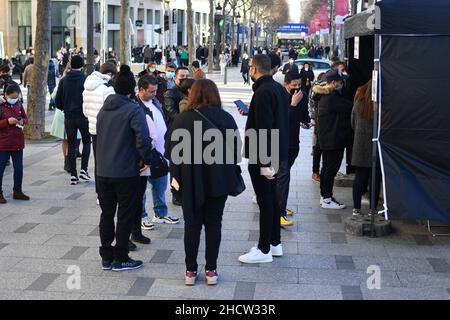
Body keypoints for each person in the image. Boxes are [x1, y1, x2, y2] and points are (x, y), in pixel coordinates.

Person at [165, 79, 242, 285]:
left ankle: (190, 271)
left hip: (190, 182)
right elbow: (236, 152)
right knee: (214, 225)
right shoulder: (225, 118)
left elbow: (172, 153)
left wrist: (177, 179)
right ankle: (211, 271)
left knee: (192, 226)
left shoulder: (182, 120)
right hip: (218, 181)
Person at [96, 65, 155, 271]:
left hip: (103, 171)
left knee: (106, 213)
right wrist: (146, 159)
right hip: (125, 171)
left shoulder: (103, 109)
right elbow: (143, 139)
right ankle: (121, 256)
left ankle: (106, 255)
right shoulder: (133, 109)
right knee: (125, 213)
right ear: (132, 90)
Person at [239, 55, 288, 264]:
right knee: (271, 201)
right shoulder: (277, 89)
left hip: (264, 156)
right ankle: (274, 243)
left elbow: (265, 129)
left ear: (253, 69)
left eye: (250, 68)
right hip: (275, 152)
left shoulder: (263, 92)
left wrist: (265, 162)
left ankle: (264, 248)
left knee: (265, 201)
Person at [136, 75, 179, 228]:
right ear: (141, 89)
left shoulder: (155, 102)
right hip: (145, 155)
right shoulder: (136, 106)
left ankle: (160, 213)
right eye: (151, 91)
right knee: (140, 190)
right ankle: (141, 216)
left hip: (161, 153)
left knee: (160, 184)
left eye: (155, 91)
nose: (154, 94)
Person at [277, 72, 311, 227]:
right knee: (283, 177)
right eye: (294, 86)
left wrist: (306, 122)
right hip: (280, 144)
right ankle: (279, 213)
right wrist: (292, 105)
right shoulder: (280, 97)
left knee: (283, 176)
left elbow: (304, 115)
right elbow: (280, 121)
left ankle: (280, 206)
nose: (297, 88)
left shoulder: (302, 96)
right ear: (286, 85)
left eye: (299, 85)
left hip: (293, 143)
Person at [316, 70, 353, 209]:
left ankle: (325, 196)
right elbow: (349, 107)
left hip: (327, 138)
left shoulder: (324, 96)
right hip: (333, 139)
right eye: (340, 82)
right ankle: (327, 198)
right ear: (333, 83)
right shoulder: (332, 98)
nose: (341, 84)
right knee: (330, 169)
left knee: (326, 168)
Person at [55, 55, 91, 185]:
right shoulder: (85, 79)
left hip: (69, 116)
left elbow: (57, 101)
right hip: (83, 116)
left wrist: (65, 108)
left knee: (71, 144)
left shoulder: (63, 80)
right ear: (82, 66)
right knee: (86, 142)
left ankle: (73, 175)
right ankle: (84, 170)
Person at [82, 61, 116, 197]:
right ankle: (107, 192)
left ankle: (99, 192)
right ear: (110, 74)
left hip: (93, 128)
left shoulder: (87, 87)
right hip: (106, 131)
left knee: (98, 162)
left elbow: (85, 111)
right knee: (109, 161)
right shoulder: (107, 89)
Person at [351, 80, 381, 216]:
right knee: (374, 179)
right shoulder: (380, 106)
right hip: (375, 146)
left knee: (360, 177)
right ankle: (372, 209)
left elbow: (352, 123)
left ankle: (356, 208)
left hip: (359, 146)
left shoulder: (358, 103)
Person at [163, 66, 190, 206]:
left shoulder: (191, 92)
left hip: (189, 135)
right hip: (175, 134)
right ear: (175, 78)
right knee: (176, 167)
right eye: (182, 77)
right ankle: (176, 193)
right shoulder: (170, 94)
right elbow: (172, 114)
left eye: (187, 77)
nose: (185, 80)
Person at [0, 84, 30, 204]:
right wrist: (7, 121)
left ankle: (17, 191)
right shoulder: (1, 106)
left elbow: (25, 118)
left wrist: (22, 121)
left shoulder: (18, 104)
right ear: (6, 95)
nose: (14, 99)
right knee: (0, 169)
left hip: (17, 142)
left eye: (16, 97)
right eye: (12, 97)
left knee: (19, 169)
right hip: (3, 143)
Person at [50, 66, 81, 173]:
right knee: (69, 140)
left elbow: (53, 96)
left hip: (63, 113)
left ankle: (67, 161)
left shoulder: (62, 83)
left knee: (67, 140)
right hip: (68, 114)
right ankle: (67, 161)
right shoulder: (76, 82)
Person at [309, 72, 327, 182]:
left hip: (319, 121)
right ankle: (316, 171)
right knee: (319, 147)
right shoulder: (320, 91)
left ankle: (316, 171)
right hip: (320, 122)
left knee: (318, 147)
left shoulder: (317, 90)